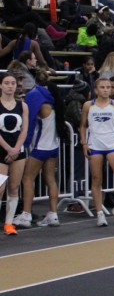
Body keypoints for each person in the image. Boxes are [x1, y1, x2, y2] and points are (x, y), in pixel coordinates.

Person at [14, 69, 65, 228]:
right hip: (53, 147)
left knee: (27, 178)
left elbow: (29, 122)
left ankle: (26, 215)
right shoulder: (54, 104)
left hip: (40, 148)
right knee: (50, 179)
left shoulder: (39, 102)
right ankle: (53, 215)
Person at [80, 77, 114, 226]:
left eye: (108, 87)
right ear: (96, 90)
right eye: (102, 87)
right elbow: (83, 125)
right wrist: (84, 143)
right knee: (96, 179)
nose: (106, 90)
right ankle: (100, 213)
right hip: (95, 144)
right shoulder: (88, 105)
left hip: (112, 143)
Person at [0, 72, 28, 235]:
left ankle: (9, 223)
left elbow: (24, 129)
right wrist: (8, 149)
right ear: (1, 85)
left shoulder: (22, 106)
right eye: (7, 83)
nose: (10, 86)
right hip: (1, 150)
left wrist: (16, 148)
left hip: (18, 151)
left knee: (14, 187)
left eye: (13, 83)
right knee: (0, 188)